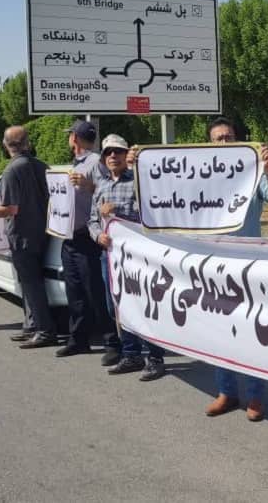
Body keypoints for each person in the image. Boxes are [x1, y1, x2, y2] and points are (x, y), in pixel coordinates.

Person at [200, 117, 268, 423]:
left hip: (249, 265)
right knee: (219, 332)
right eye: (218, 139)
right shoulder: (200, 176)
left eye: (229, 137)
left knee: (250, 332)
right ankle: (226, 392)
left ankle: (256, 396)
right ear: (210, 144)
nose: (224, 143)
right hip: (214, 266)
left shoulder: (253, 172)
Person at [0, 126, 54, 348]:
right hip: (42, 233)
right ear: (28, 142)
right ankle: (32, 326)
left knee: (31, 285)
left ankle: (44, 331)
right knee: (30, 284)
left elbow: (9, 209)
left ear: (5, 145)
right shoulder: (42, 166)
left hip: (22, 236)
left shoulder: (12, 170)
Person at [89, 134, 166, 382]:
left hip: (138, 255)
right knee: (118, 306)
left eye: (118, 152)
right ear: (103, 158)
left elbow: (153, 210)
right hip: (109, 256)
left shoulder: (138, 182)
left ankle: (155, 357)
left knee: (146, 305)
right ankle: (130, 354)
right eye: (108, 152)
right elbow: (91, 219)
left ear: (125, 155)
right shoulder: (100, 185)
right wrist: (98, 234)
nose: (113, 156)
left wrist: (118, 211)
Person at [54, 120, 118, 361]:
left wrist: (86, 184)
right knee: (75, 291)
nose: (69, 139)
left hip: (87, 237)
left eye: (70, 135)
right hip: (69, 236)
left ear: (75, 138)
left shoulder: (95, 162)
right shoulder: (78, 163)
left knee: (95, 292)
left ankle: (112, 342)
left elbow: (105, 190)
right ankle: (78, 339)